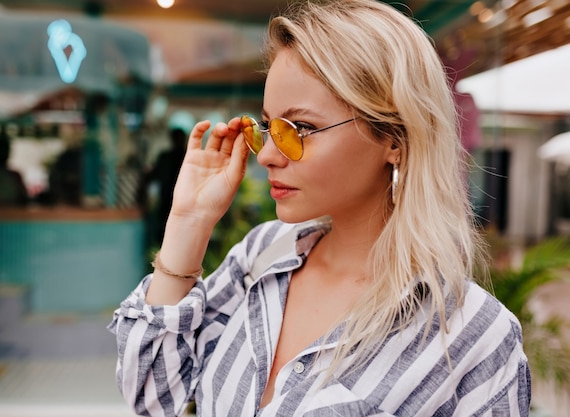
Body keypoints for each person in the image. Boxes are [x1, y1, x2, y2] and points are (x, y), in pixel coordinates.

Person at [108, 1, 531, 415]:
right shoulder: (263, 256)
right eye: (269, 127)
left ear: (395, 139)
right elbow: (151, 397)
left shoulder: (475, 339)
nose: (268, 154)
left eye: (300, 128)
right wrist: (189, 222)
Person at [137, 127, 188, 246]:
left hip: (172, 201)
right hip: (169, 201)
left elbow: (150, 177)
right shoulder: (168, 157)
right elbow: (151, 176)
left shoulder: (170, 157)